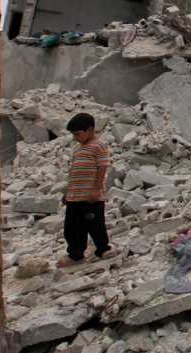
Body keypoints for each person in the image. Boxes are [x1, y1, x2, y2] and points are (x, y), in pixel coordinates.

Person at [58, 113, 115, 267]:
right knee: (72, 227)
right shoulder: (77, 149)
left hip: (90, 196)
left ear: (89, 129)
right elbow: (74, 172)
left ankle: (103, 248)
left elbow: (102, 167)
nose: (75, 137)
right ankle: (76, 255)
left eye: (77, 134)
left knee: (95, 223)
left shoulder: (99, 146)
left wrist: (96, 190)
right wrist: (68, 192)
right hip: (74, 196)